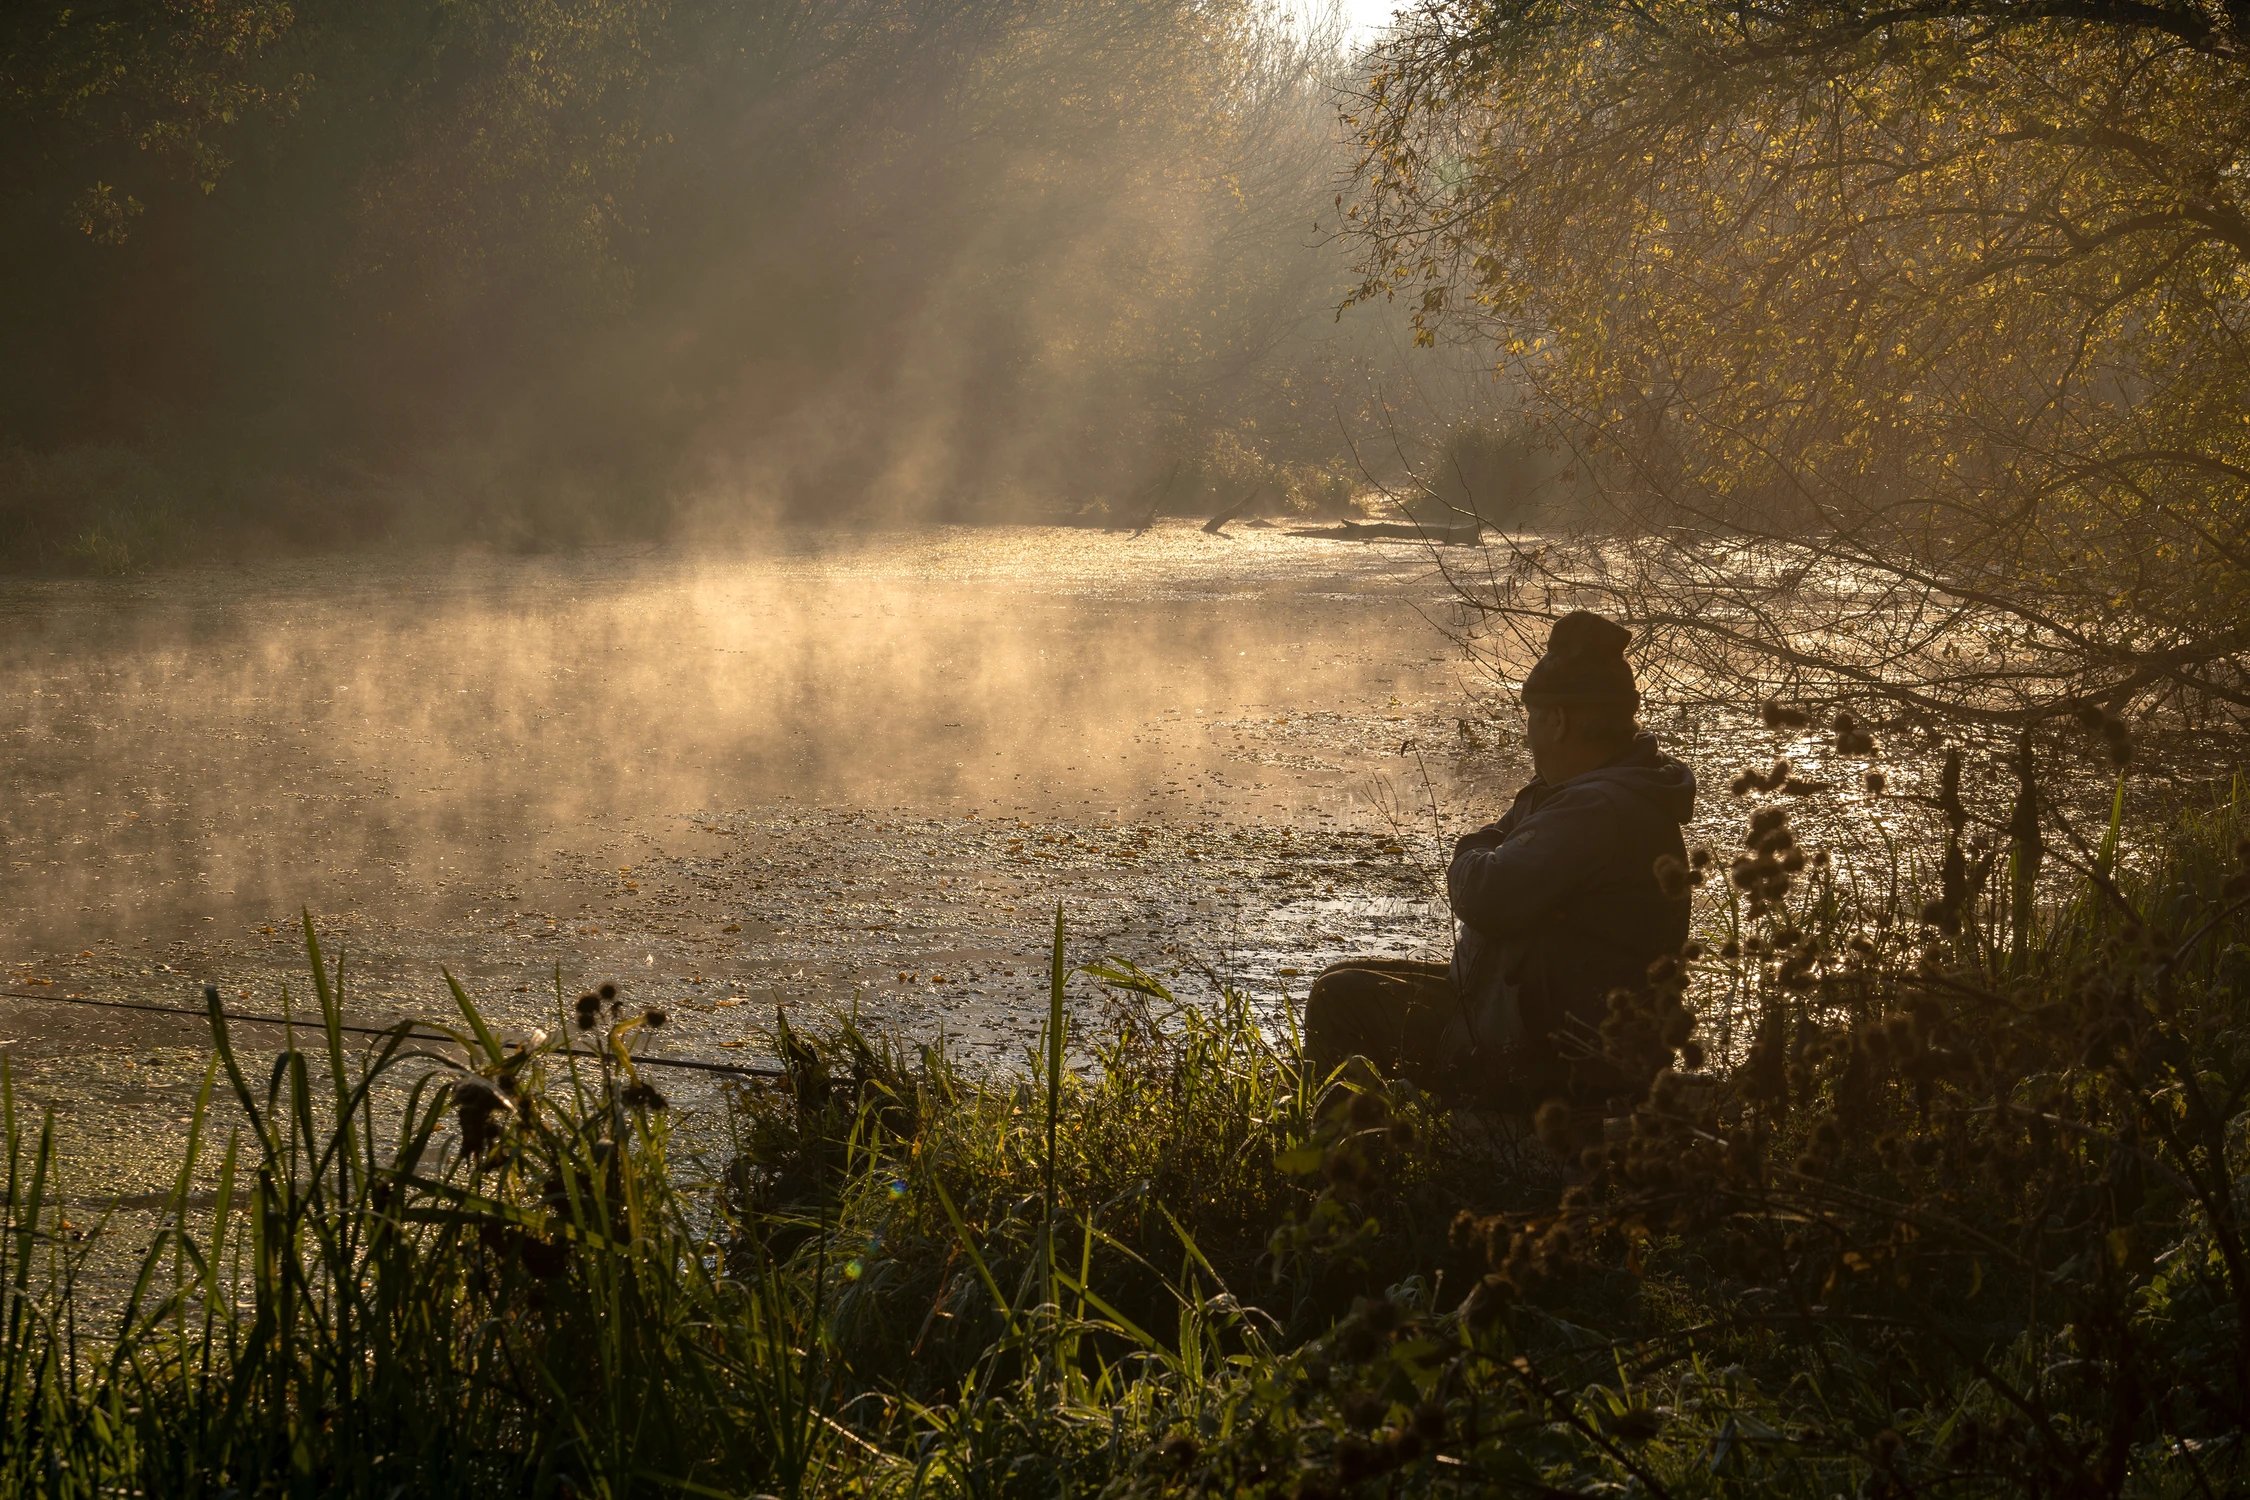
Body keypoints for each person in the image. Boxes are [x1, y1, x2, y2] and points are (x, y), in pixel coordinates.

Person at [1303, 610, 1695, 1106]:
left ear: (1557, 720)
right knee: (1342, 979)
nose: (1528, 734)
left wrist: (1469, 849)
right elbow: (1507, 849)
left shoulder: (1596, 809)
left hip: (1546, 1052)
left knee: (1339, 1001)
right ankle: (1381, 1131)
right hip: (1530, 1018)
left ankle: (1343, 1159)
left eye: (1531, 717)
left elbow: (1486, 890)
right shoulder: (1594, 793)